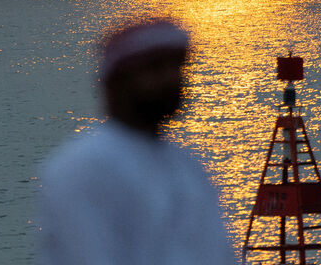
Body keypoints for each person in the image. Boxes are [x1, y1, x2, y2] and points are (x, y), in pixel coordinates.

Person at [36, 17, 236, 265]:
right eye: (155, 68)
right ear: (116, 83)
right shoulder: (82, 167)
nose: (170, 79)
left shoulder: (189, 167)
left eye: (177, 67)